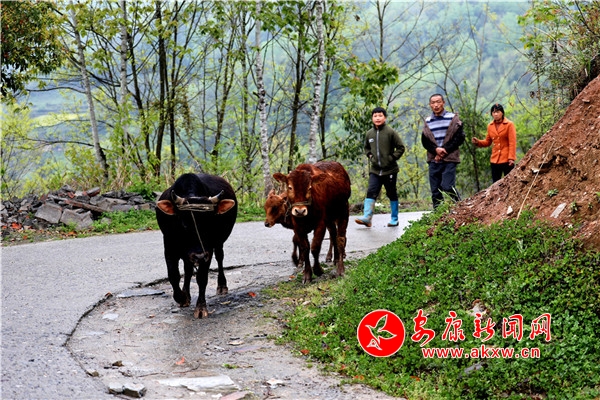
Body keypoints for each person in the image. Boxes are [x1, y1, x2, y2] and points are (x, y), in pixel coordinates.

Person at [355, 107, 406, 227]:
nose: (377, 118)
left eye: (380, 116)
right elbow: (366, 148)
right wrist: (370, 156)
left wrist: (391, 158)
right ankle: (367, 218)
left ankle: (394, 219)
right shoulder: (369, 133)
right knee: (371, 191)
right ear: (372, 118)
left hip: (390, 170)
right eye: (375, 116)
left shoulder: (390, 132)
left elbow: (401, 147)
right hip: (375, 170)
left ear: (385, 118)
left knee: (391, 193)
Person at [421, 94, 465, 209]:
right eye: (433, 103)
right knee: (435, 190)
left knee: (447, 186)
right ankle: (438, 214)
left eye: (438, 102)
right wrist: (436, 150)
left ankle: (460, 207)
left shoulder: (453, 118)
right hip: (433, 160)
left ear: (443, 103)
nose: (436, 105)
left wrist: (445, 150)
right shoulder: (428, 121)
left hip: (450, 158)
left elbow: (459, 137)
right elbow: (425, 141)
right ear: (430, 105)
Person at [471, 103, 517, 183]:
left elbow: (512, 142)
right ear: (491, 114)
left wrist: (511, 158)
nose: (496, 114)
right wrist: (478, 142)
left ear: (502, 113)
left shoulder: (509, 124)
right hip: (495, 159)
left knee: (509, 183)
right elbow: (488, 142)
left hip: (507, 159)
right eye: (494, 112)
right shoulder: (490, 126)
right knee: (495, 183)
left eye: (498, 112)